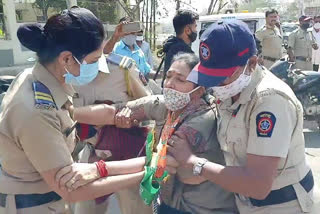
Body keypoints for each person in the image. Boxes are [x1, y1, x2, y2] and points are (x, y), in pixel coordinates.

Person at [0, 8, 167, 213]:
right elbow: (72, 189)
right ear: (67, 59)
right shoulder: (36, 110)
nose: (98, 65)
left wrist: (132, 114)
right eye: (93, 61)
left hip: (49, 197)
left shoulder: (42, 78)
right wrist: (148, 171)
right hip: (36, 205)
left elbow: (83, 113)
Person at [168, 20, 314, 214]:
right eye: (210, 76)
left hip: (280, 206)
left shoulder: (269, 102)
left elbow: (257, 185)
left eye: (222, 76)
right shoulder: (231, 90)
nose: (215, 85)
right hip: (244, 203)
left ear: (252, 63)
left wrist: (193, 162)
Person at [75, 53, 238, 214]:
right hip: (172, 203)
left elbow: (163, 162)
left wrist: (99, 169)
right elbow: (113, 112)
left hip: (202, 208)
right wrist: (67, 113)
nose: (169, 84)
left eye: (180, 80)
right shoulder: (166, 105)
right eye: (168, 76)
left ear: (199, 90)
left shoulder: (202, 119)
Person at [72, 53, 152, 214]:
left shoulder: (122, 68)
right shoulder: (66, 72)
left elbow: (151, 109)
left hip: (127, 157)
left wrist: (131, 119)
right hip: (92, 154)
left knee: (136, 208)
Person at [162, 10, 199, 83]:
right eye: (195, 27)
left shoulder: (172, 46)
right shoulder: (185, 54)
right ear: (188, 30)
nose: (196, 30)